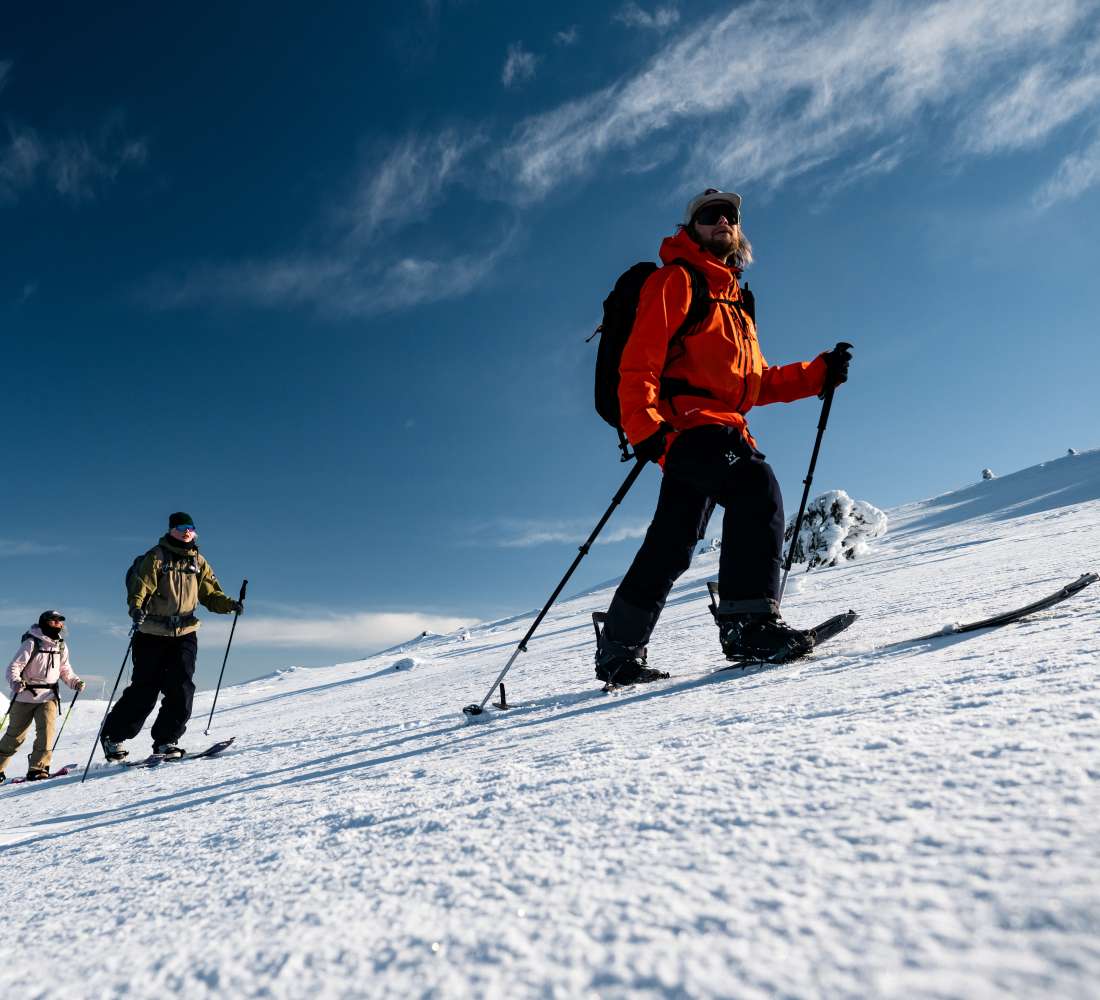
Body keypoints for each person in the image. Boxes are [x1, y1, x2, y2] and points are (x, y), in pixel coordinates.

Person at [594, 188, 852, 685]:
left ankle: (619, 650)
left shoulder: (734, 301)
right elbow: (639, 362)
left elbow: (753, 383)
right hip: (688, 427)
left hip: (722, 426)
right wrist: (645, 429)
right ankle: (748, 625)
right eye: (710, 215)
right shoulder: (676, 281)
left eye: (730, 216)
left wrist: (817, 374)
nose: (722, 221)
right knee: (755, 487)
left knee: (672, 543)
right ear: (691, 228)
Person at [100, 512, 242, 761]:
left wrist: (229, 604)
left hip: (185, 632)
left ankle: (166, 740)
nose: (186, 531)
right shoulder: (156, 556)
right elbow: (141, 587)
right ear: (171, 530)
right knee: (145, 688)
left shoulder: (198, 560)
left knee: (181, 688)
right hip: (152, 632)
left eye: (190, 527)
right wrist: (136, 608)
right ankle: (113, 736)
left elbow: (209, 594)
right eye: (180, 527)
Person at [1, 610, 84, 783]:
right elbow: (13, 667)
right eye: (53, 621)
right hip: (24, 695)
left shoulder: (61, 646)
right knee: (15, 737)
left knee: (46, 733)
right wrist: (16, 682)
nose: (58, 624)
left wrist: (75, 682)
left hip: (48, 696)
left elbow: (65, 670)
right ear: (44, 622)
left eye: (60, 621)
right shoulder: (31, 643)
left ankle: (38, 769)